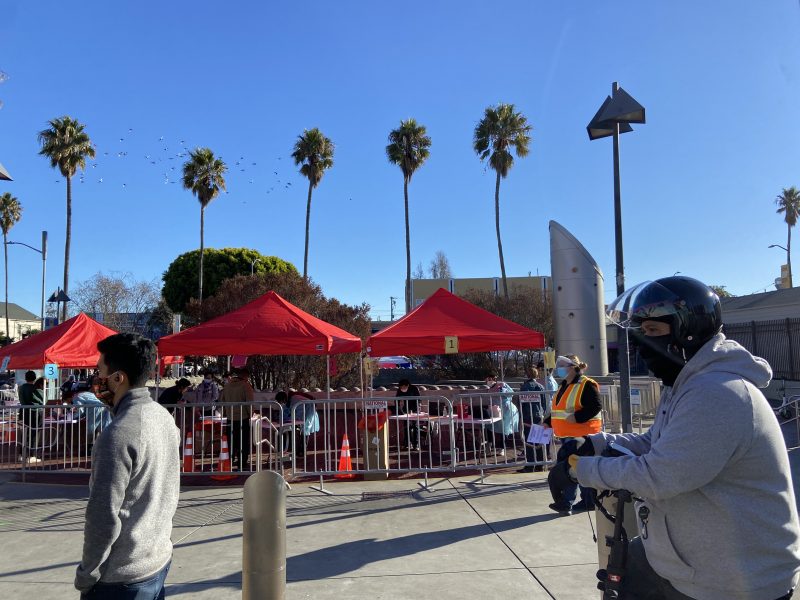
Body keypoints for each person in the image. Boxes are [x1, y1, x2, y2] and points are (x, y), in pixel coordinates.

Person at [567, 276, 800, 600]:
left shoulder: (717, 393)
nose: (641, 342)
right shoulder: (684, 385)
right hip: (694, 560)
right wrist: (596, 443)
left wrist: (582, 470)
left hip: (735, 579)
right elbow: (655, 443)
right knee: (628, 568)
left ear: (686, 333)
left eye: (652, 331)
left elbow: (660, 475)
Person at [74, 332, 180, 599]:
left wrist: (87, 574)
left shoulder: (118, 434)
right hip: (157, 561)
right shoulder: (163, 417)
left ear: (118, 378)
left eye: (99, 370)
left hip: (120, 578)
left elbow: (102, 517)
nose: (96, 379)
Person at [545, 354, 601, 514]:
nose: (559, 369)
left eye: (563, 365)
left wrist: (577, 417)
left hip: (581, 436)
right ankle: (581, 501)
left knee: (573, 469)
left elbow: (596, 406)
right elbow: (559, 410)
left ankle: (569, 502)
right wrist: (547, 422)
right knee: (572, 470)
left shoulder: (586, 384)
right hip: (567, 435)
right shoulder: (564, 385)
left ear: (573, 367)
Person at [219, 367, 254, 470]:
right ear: (246, 376)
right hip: (243, 417)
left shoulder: (227, 386)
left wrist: (225, 413)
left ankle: (229, 461)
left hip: (230, 418)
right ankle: (242, 463)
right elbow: (249, 402)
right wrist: (251, 414)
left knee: (231, 441)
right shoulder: (246, 386)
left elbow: (222, 401)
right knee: (243, 442)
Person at [483, 371, 519, 455]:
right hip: (495, 409)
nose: (488, 381)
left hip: (506, 409)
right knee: (489, 426)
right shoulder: (489, 389)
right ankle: (489, 445)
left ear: (494, 379)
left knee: (504, 428)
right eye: (487, 379)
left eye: (490, 379)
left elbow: (511, 394)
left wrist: (503, 390)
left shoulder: (502, 385)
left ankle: (502, 448)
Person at [518, 367, 546, 472]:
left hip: (527, 416)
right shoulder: (541, 387)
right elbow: (544, 403)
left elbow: (521, 403)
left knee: (529, 442)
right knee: (538, 441)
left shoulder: (524, 387)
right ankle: (540, 465)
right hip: (538, 416)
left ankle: (530, 465)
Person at [18, 370, 43, 464]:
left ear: (25, 378)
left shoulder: (21, 388)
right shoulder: (35, 388)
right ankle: (32, 455)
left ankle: (21, 455)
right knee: (34, 433)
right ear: (34, 378)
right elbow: (42, 400)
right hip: (35, 412)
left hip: (25, 412)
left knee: (25, 433)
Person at [396, 379, 422, 450]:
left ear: (407, 385)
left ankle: (416, 444)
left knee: (415, 426)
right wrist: (398, 408)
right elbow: (396, 399)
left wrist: (418, 406)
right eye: (401, 387)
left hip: (415, 409)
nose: (402, 388)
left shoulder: (414, 388)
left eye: (403, 387)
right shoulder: (399, 390)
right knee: (406, 426)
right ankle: (407, 444)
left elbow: (419, 399)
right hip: (406, 409)